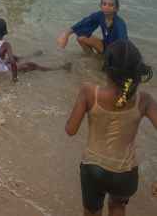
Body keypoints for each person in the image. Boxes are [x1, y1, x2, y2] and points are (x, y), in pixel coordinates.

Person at [64, 40, 156, 216]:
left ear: (106, 68)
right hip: (125, 174)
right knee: (118, 207)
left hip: (93, 169)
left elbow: (70, 130)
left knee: (92, 212)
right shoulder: (144, 100)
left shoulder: (89, 92)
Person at [0, 19, 69, 81]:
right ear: (5, 32)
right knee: (32, 65)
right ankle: (60, 68)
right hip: (0, 71)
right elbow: (13, 63)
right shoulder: (6, 45)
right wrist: (14, 78)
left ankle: (31, 55)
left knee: (11, 57)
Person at [57, 0, 128, 55]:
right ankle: (91, 58)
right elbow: (83, 23)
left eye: (111, 5)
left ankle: (103, 59)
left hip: (115, 52)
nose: (107, 7)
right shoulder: (100, 15)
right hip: (105, 45)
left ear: (116, 8)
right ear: (100, 6)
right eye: (104, 4)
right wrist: (66, 34)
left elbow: (124, 45)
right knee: (81, 38)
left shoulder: (120, 24)